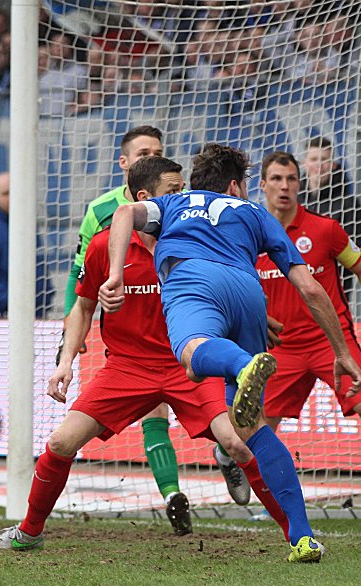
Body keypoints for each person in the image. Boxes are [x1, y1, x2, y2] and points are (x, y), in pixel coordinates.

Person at [0, 156, 291, 551]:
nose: (184, 197)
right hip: (127, 368)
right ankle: (28, 533)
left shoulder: (198, 238)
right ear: (145, 198)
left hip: (187, 367)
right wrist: (65, 361)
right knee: (60, 443)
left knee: (239, 443)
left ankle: (294, 534)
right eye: (174, 191)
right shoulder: (105, 246)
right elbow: (82, 305)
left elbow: (227, 287)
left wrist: (250, 317)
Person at [98, 144, 361, 563]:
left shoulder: (173, 203)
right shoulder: (256, 213)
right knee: (254, 427)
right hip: (249, 293)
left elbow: (123, 214)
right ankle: (302, 537)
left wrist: (114, 274)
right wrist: (342, 350)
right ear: (237, 185)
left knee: (190, 354)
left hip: (194, 280)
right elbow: (311, 288)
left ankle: (242, 366)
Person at [59, 126, 252, 515]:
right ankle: (171, 493)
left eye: (158, 150)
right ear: (125, 162)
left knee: (238, 437)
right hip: (132, 352)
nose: (152, 155)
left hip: (185, 348)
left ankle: (290, 526)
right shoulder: (101, 213)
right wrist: (69, 344)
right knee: (140, 417)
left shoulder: (181, 209)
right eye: (144, 151)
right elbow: (82, 281)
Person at [255, 151, 361, 525]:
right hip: (280, 349)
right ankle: (275, 507)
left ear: (300, 184)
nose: (284, 187)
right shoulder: (250, 237)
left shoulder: (326, 229)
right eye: (276, 179)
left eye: (291, 179)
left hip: (330, 343)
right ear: (263, 184)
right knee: (258, 432)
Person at [0, 172, 53, 318]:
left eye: (15, 192)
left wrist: (45, 294)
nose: (12, 198)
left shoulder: (27, 225)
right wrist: (16, 303)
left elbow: (39, 266)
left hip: (35, 314)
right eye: (6, 193)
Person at [302, 136, 361, 299]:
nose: (319, 165)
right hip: (298, 290)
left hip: (335, 291)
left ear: (333, 165)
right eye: (313, 159)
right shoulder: (294, 202)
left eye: (324, 160)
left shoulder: (348, 204)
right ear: (304, 163)